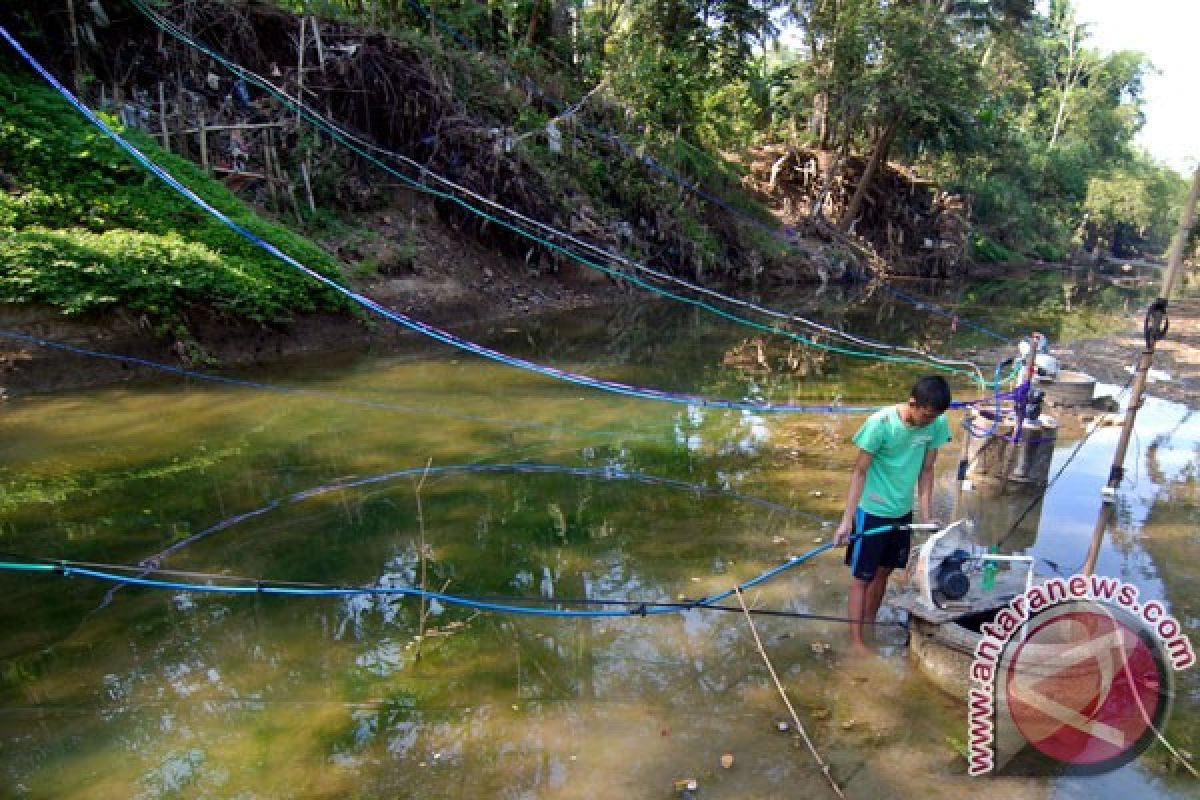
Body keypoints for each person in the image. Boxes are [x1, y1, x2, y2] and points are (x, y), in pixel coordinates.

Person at [833, 376, 952, 656]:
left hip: (902, 514)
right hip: (872, 512)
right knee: (862, 577)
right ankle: (857, 643)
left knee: (884, 573)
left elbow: (927, 471)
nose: (928, 422)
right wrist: (847, 520)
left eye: (934, 417)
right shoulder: (880, 425)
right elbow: (859, 472)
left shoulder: (936, 424)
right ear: (913, 403)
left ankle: (869, 625)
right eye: (925, 415)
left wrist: (927, 515)